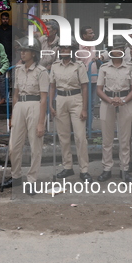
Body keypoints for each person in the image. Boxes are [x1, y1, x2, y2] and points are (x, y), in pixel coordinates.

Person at [0, 37, 48, 194]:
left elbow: (43, 98)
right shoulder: (18, 69)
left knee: (35, 146)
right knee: (14, 146)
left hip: (35, 105)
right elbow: (15, 94)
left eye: (25, 50)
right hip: (20, 105)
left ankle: (32, 180)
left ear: (34, 53)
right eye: (21, 50)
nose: (22, 53)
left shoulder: (41, 71)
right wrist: (13, 115)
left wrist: (41, 122)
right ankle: (16, 177)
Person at [96, 36, 132, 182]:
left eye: (120, 48)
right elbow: (99, 89)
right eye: (115, 48)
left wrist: (124, 100)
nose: (117, 51)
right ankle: (107, 168)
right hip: (107, 103)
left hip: (125, 103)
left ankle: (124, 169)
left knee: (125, 138)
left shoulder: (130, 67)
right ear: (110, 51)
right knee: (107, 139)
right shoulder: (104, 67)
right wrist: (110, 100)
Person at [49, 44, 91, 181]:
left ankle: (84, 169)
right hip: (60, 99)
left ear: (72, 50)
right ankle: (67, 167)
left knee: (80, 136)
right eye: (61, 48)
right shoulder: (55, 66)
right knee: (63, 136)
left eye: (66, 48)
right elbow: (52, 86)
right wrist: (50, 104)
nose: (63, 51)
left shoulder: (79, 66)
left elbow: (85, 87)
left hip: (76, 99)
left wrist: (84, 108)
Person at [0, 12, 13, 104]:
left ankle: (14, 97)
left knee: (13, 78)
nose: (5, 20)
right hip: (1, 58)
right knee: (2, 79)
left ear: (8, 19)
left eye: (6, 19)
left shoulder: (13, 29)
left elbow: (21, 38)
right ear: (0, 19)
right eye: (3, 19)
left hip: (12, 56)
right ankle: (3, 98)